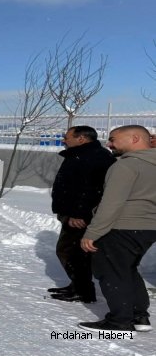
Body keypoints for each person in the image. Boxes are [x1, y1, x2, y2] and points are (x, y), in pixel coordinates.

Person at [78, 125, 156, 333]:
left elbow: (111, 203)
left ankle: (119, 321)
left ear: (135, 138)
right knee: (128, 270)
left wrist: (92, 233)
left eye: (113, 139)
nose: (109, 144)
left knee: (111, 272)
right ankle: (140, 316)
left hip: (121, 227)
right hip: (148, 228)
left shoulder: (125, 166)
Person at [47, 126, 115, 303]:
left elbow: (91, 189)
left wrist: (79, 214)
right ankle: (77, 285)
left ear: (81, 138)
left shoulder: (94, 157)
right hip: (72, 212)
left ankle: (83, 290)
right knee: (71, 252)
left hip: (80, 216)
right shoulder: (80, 154)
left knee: (72, 252)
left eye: (67, 137)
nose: (64, 140)